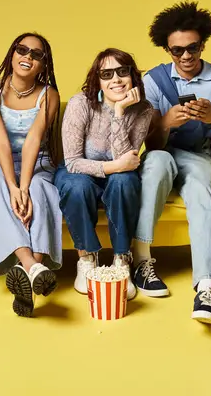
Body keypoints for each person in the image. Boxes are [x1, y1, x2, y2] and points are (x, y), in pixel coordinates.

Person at [134, 2, 211, 325]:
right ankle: (141, 261)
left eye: (192, 48)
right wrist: (164, 123)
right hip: (164, 154)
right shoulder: (154, 80)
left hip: (199, 157)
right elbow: (147, 143)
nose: (186, 57)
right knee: (157, 165)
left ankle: (207, 289)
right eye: (177, 51)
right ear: (167, 49)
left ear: (203, 43)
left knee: (205, 180)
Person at [55, 48, 153, 300]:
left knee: (125, 181)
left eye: (122, 72)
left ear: (132, 75)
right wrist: (115, 166)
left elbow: (127, 158)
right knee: (77, 186)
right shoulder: (81, 104)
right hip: (79, 172)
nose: (116, 80)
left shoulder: (143, 109)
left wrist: (119, 111)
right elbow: (74, 162)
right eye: (107, 74)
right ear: (97, 80)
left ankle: (122, 260)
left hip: (117, 176)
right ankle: (86, 258)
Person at [0, 32, 62, 318]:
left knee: (41, 191)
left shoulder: (49, 94)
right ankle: (33, 266)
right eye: (22, 50)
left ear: (43, 64)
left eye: (36, 54)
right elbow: (0, 141)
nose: (27, 56)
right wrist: (13, 186)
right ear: (12, 54)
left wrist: (24, 187)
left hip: (37, 161)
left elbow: (33, 140)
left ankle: (27, 274)